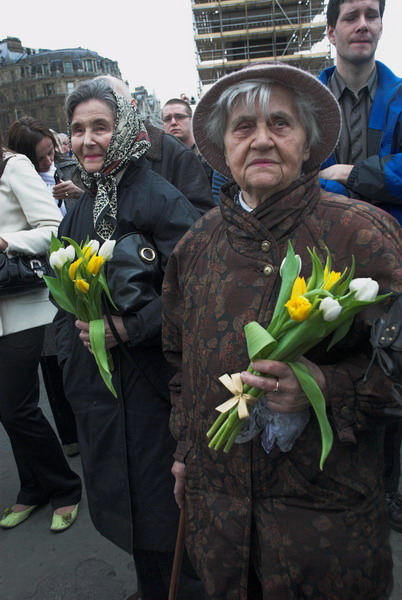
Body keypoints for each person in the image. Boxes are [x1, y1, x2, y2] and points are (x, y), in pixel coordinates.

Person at [162, 62, 402, 599]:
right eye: (243, 127)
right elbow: (179, 362)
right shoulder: (196, 246)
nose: (262, 140)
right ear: (224, 148)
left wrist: (324, 387)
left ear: (308, 142)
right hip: (219, 518)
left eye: (280, 124)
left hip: (324, 525)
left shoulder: (360, 234)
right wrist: (184, 454)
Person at [56, 79, 205, 600]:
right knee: (130, 511)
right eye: (77, 130)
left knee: (163, 513)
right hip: (104, 392)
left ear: (124, 127)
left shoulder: (156, 196)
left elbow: (199, 289)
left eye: (101, 126)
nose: (87, 140)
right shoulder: (88, 198)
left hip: (150, 389)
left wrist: (131, 327)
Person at [318, 0, 402, 532]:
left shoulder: (399, 94)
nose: (363, 25)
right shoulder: (308, 97)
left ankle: (387, 491)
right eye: (351, 16)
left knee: (388, 377)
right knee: (329, 368)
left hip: (392, 262)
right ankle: (333, 479)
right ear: (331, 30)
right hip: (322, 257)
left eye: (372, 14)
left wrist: (352, 174)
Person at [0, 133, 81, 532]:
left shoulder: (13, 167)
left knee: (16, 406)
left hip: (23, 309)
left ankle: (65, 487)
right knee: (7, 409)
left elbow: (55, 226)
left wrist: (6, 241)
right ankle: (32, 488)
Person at [94, 75, 214, 215]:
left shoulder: (175, 153)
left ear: (132, 105)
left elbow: (202, 219)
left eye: (114, 104)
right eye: (167, 119)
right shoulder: (89, 163)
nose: (106, 113)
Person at [8, 117, 83, 212]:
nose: (48, 161)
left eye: (50, 152)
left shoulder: (75, 170)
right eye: (39, 158)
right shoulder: (12, 184)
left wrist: (82, 193)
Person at [162, 98, 214, 185]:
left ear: (191, 119)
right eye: (167, 119)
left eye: (179, 117)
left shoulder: (210, 156)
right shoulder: (161, 161)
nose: (173, 122)